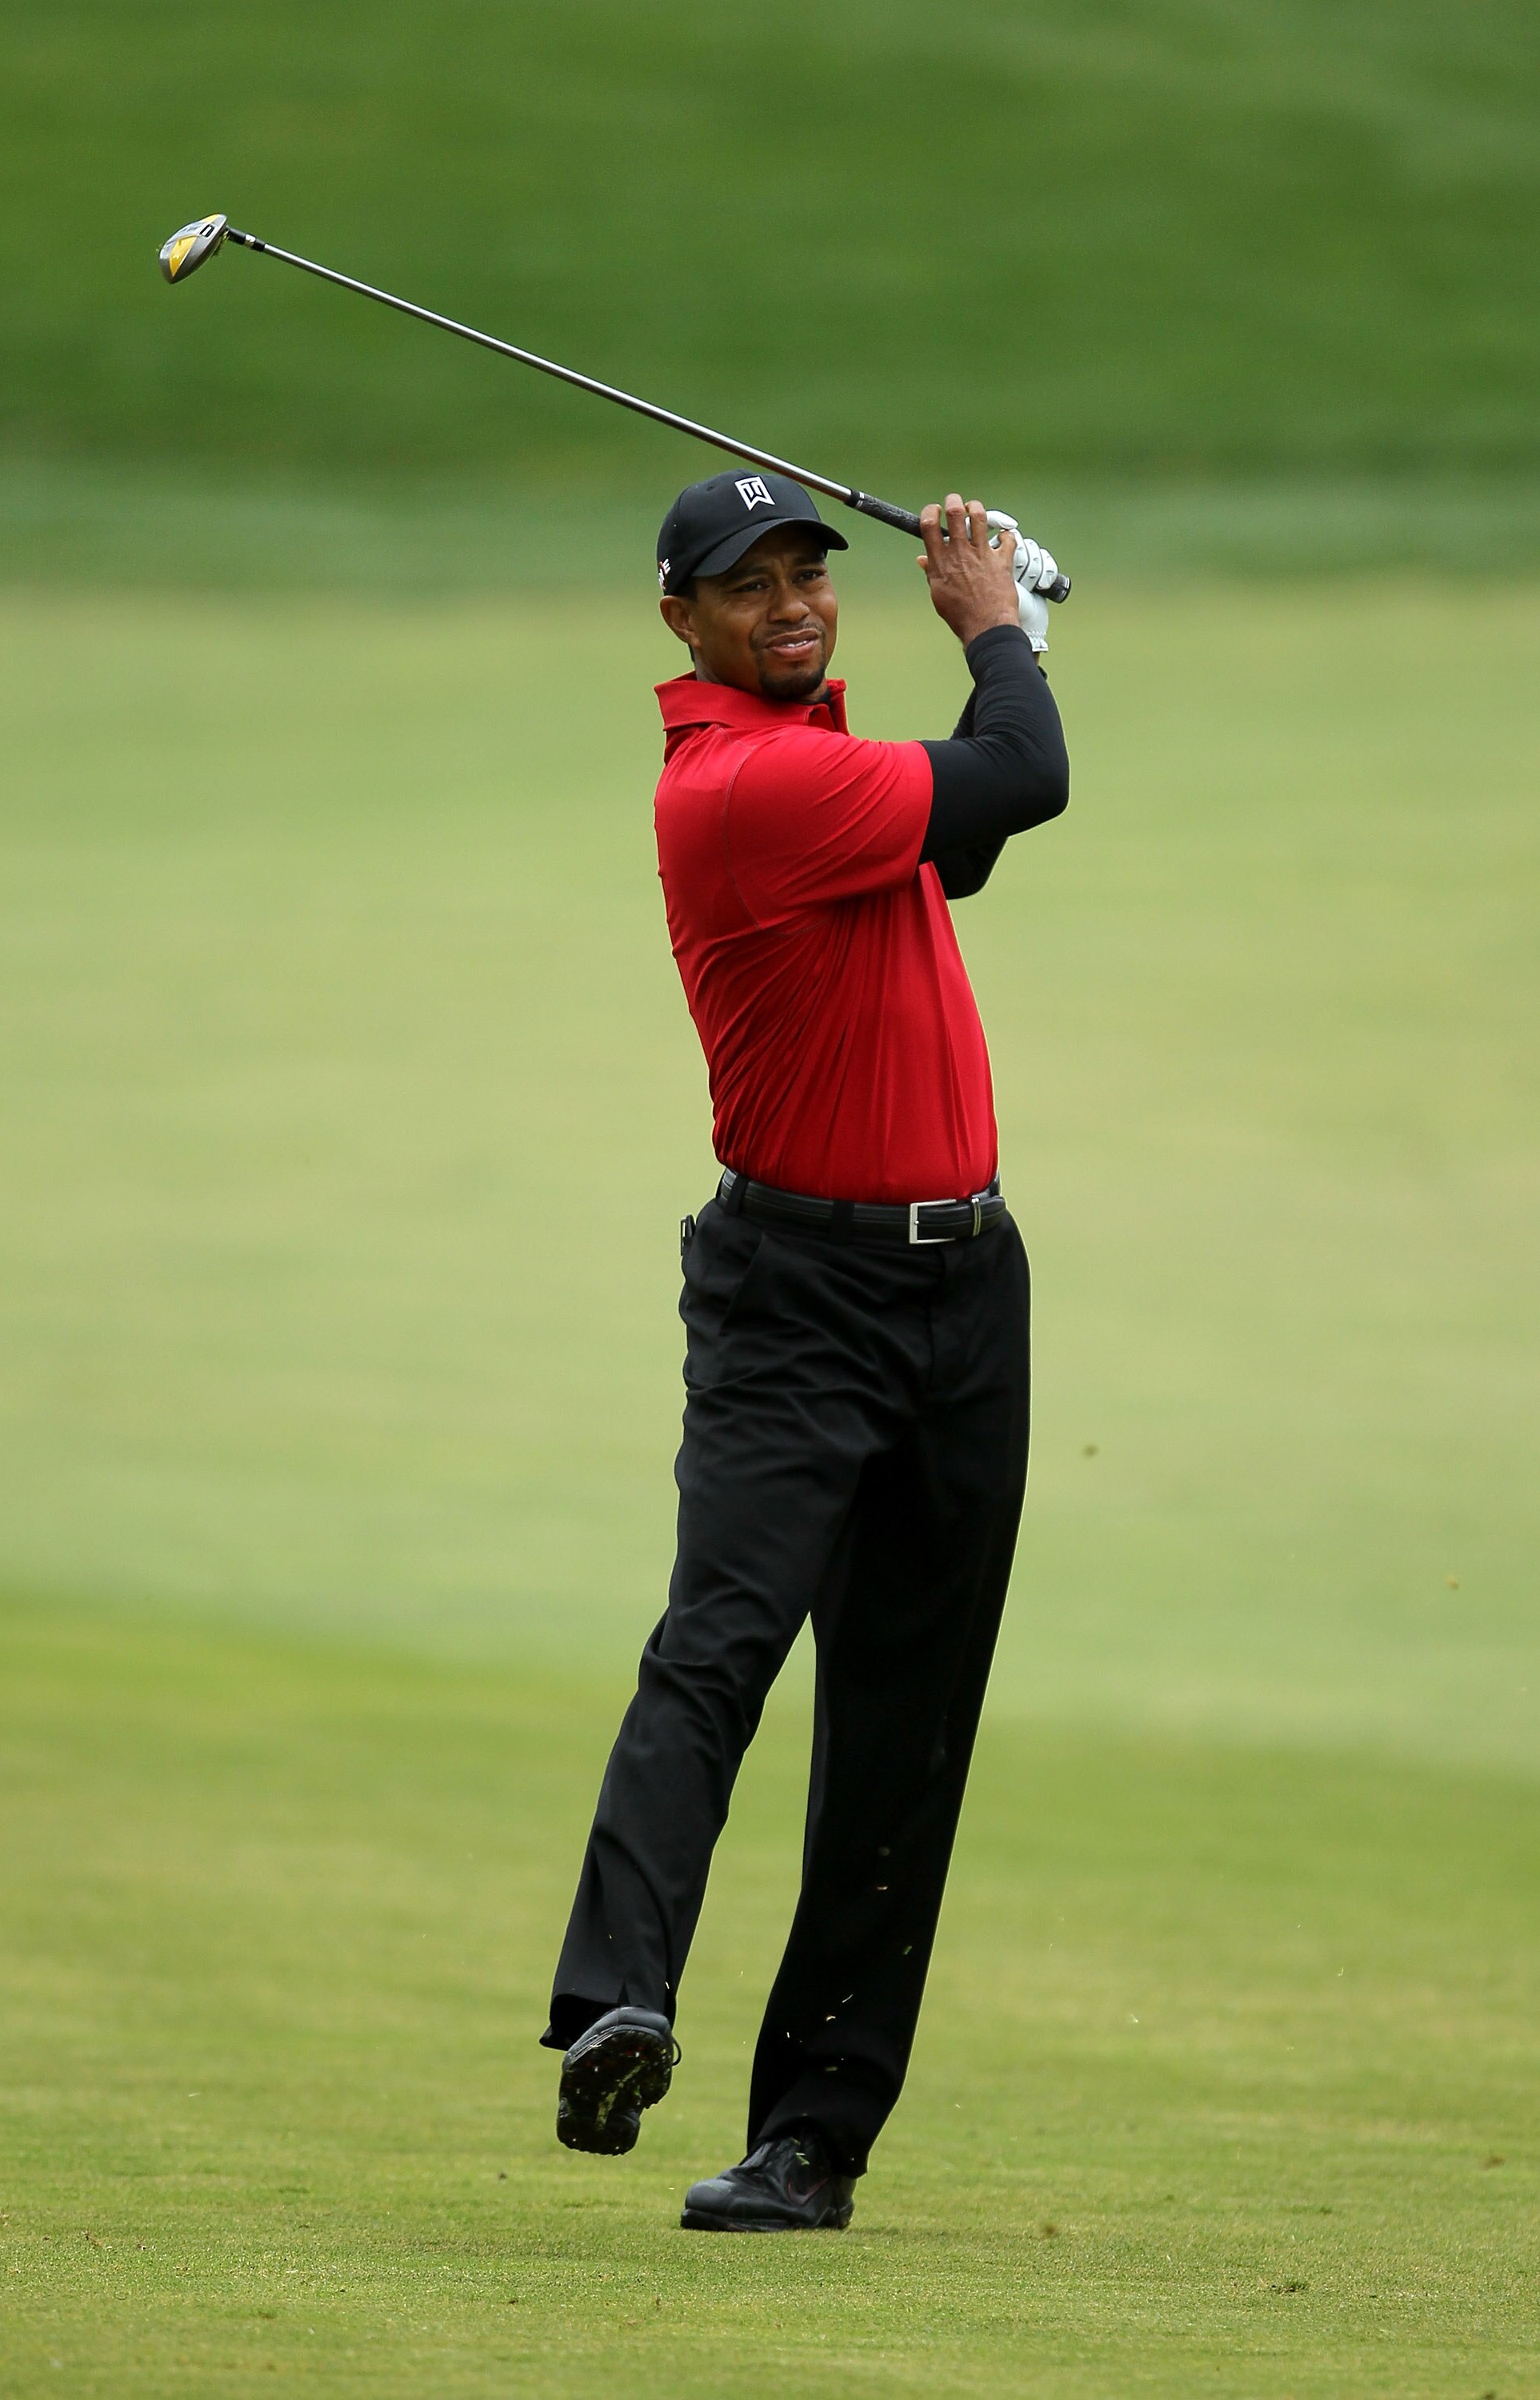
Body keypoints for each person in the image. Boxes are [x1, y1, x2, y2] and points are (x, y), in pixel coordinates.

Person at [541, 469, 1070, 2231]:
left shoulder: (828, 772)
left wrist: (1016, 641)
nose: (791, 604)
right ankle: (615, 1997)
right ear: (677, 621)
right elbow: (1027, 775)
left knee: (907, 1728)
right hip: (799, 1300)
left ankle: (810, 2146)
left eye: (808, 575)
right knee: (723, 1645)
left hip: (964, 1296)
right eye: (746, 584)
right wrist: (995, 626)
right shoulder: (743, 788)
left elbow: (970, 834)